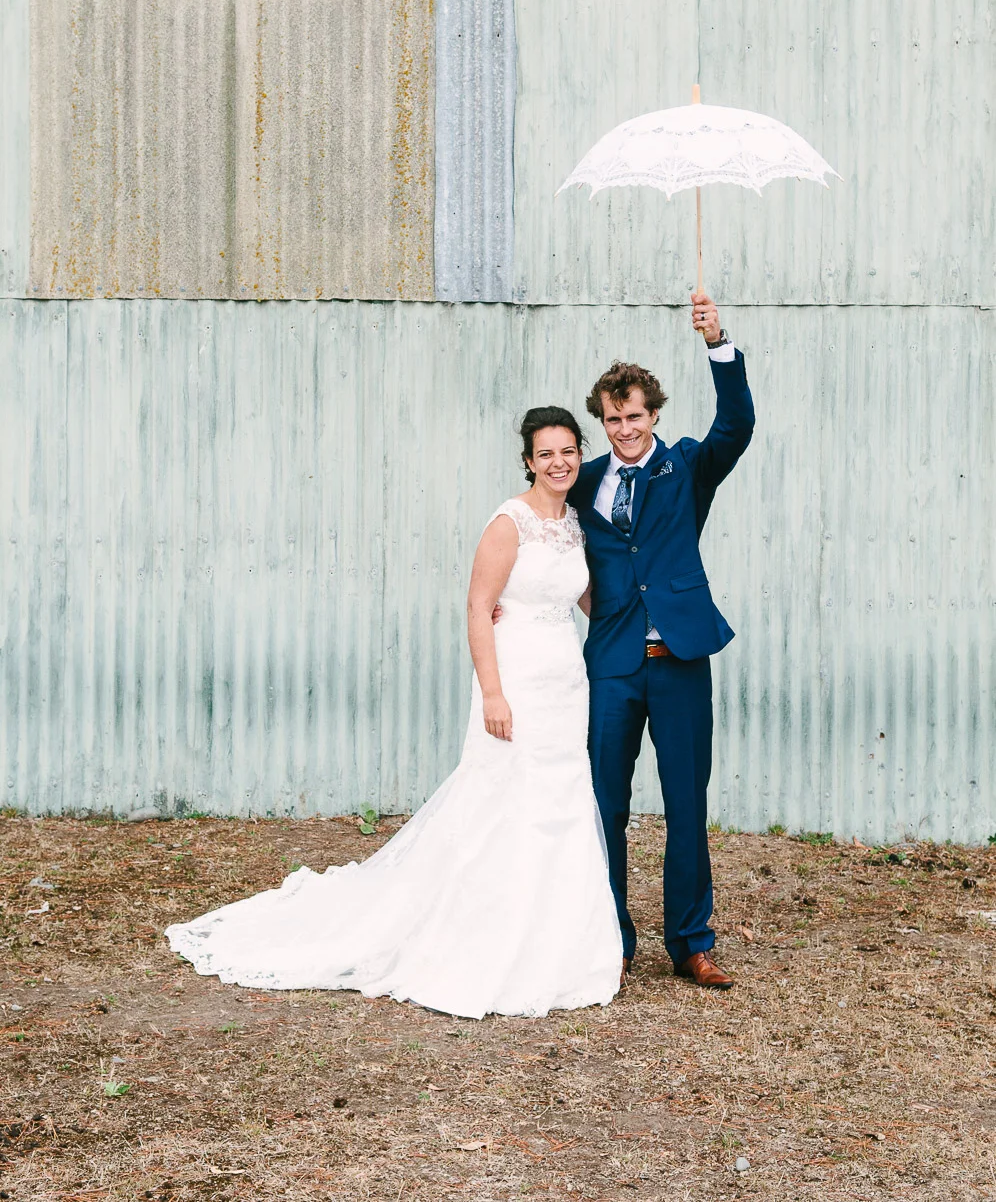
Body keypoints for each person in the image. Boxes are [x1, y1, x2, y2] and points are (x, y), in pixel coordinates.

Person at [165, 409, 622, 1019]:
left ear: (579, 454)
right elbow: (477, 606)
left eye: (568, 451)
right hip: (514, 681)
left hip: (565, 683)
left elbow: (586, 598)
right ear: (528, 461)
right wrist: (492, 692)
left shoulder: (574, 524)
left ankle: (557, 944)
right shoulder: (508, 523)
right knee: (503, 802)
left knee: (558, 804)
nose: (559, 463)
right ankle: (487, 937)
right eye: (546, 454)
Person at [568, 291, 754, 990]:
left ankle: (691, 944)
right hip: (612, 666)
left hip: (679, 660)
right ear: (602, 421)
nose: (624, 429)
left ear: (654, 415)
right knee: (604, 806)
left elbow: (736, 424)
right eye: (613, 419)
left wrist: (717, 342)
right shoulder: (582, 482)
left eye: (635, 416)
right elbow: (548, 545)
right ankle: (610, 938)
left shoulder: (686, 468)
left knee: (686, 805)